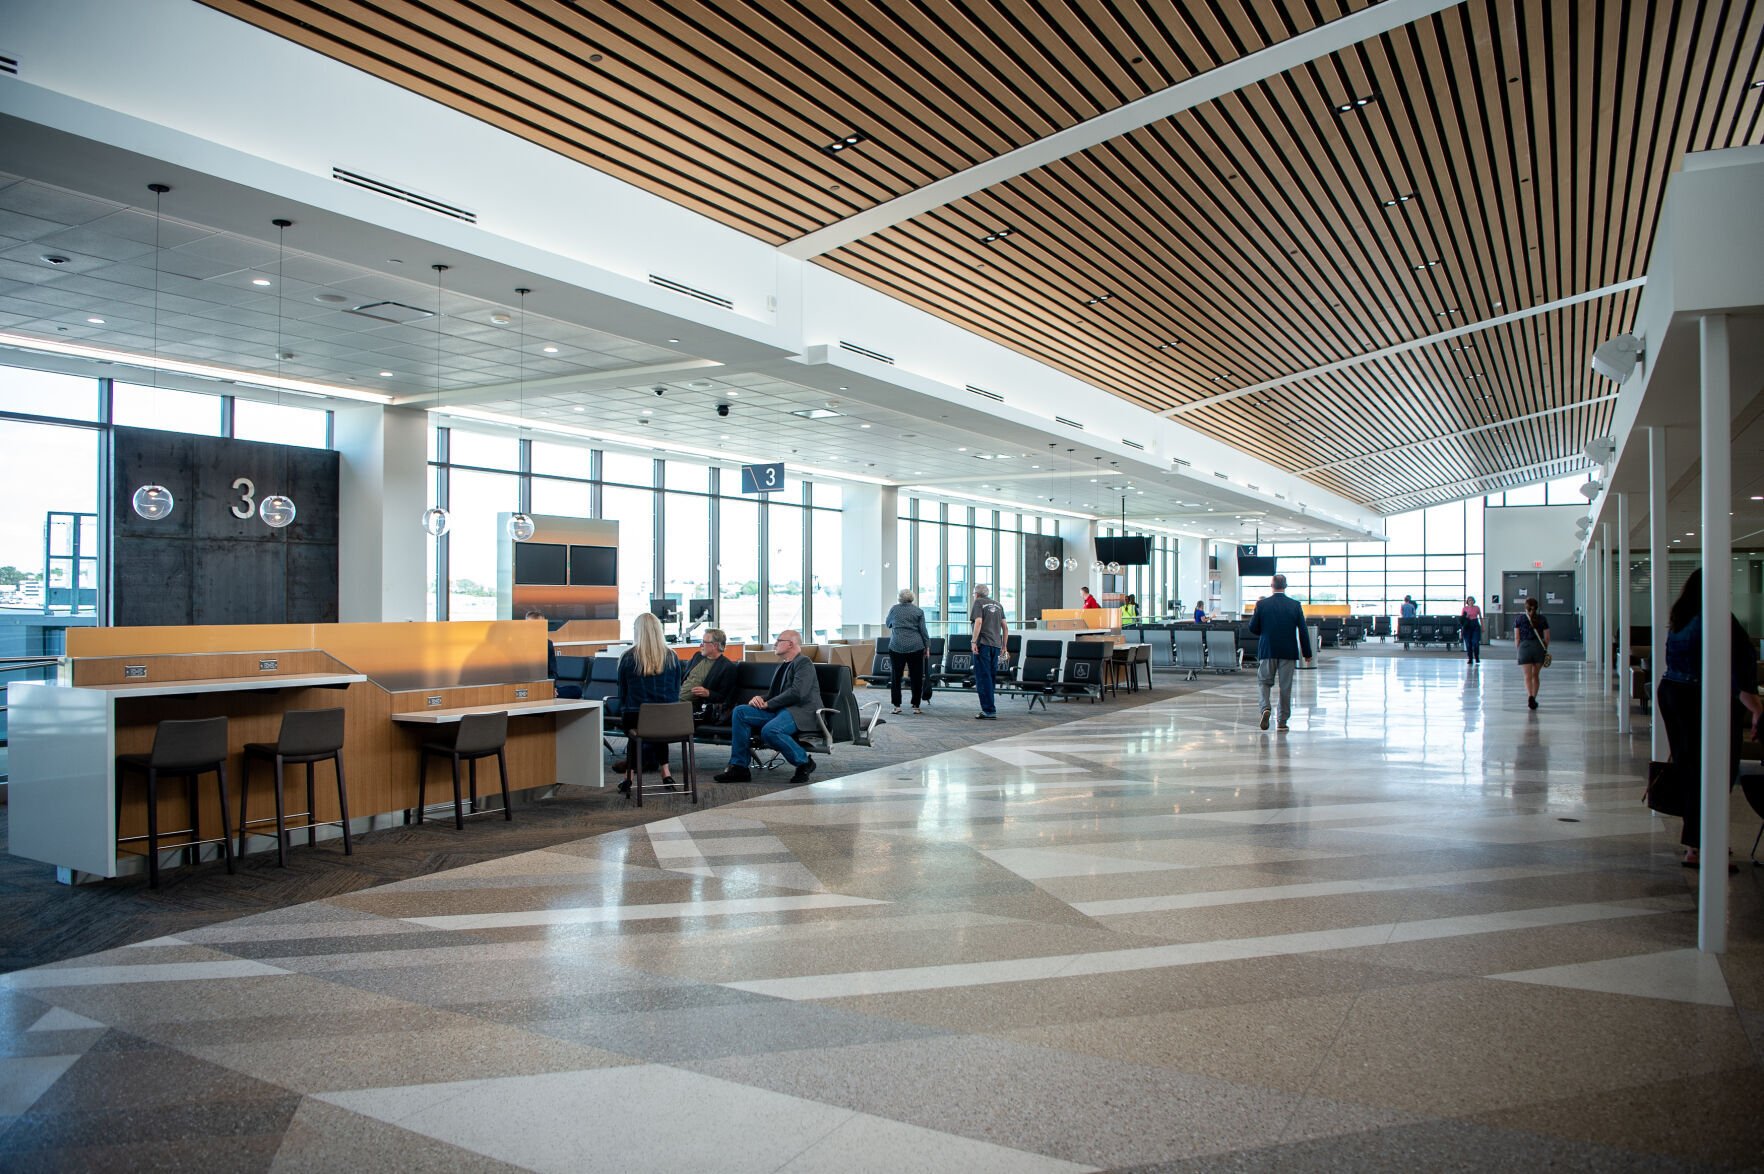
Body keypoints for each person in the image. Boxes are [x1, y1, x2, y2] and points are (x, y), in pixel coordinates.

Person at [1657, 569, 1764, 869]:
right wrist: (1755, 706)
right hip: (1700, 699)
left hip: (1672, 692)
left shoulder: (1680, 617)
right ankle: (1704, 846)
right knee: (1716, 772)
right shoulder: (1716, 616)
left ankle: (1699, 842)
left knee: (1690, 769)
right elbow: (1741, 662)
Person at [714, 629, 820, 785]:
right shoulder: (783, 666)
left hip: (800, 711)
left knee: (770, 731)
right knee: (741, 712)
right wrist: (759, 699)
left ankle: (804, 761)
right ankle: (739, 767)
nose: (775, 644)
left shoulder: (803, 663)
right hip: (781, 710)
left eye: (778, 640)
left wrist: (769, 704)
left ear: (790, 644)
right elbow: (773, 694)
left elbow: (798, 693)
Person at [615, 612, 684, 795]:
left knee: (638, 725)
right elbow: (676, 689)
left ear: (638, 631)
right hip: (670, 719)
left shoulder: (628, 657)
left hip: (637, 716)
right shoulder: (672, 656)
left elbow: (623, 692)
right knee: (657, 720)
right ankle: (666, 772)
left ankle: (629, 776)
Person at [1248, 574, 1312, 732]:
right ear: (1286, 586)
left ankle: (1265, 708)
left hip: (1267, 650)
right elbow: (1303, 631)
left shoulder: (1262, 605)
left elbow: (1252, 628)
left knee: (1264, 682)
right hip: (1288, 651)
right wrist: (1307, 653)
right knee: (1285, 687)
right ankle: (1282, 721)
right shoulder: (1295, 605)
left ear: (1272, 585)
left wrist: (1265, 630)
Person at [883, 589, 929, 715]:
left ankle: (897, 706)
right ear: (912, 598)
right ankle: (916, 705)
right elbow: (923, 630)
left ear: (899, 598)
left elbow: (888, 624)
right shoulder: (918, 611)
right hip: (916, 646)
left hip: (896, 645)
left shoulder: (894, 609)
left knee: (896, 676)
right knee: (916, 676)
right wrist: (927, 646)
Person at [679, 628, 739, 725]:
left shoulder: (727, 667)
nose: (700, 645)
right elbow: (683, 679)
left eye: (704, 642)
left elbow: (726, 699)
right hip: (676, 700)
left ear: (714, 645)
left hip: (694, 707)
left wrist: (708, 693)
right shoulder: (697, 657)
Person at [970, 583, 1008, 720]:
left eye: (974, 594)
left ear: (977, 594)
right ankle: (990, 707)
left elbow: (978, 622)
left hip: (983, 644)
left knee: (982, 677)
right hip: (996, 645)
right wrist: (1004, 646)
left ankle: (989, 710)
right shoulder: (998, 604)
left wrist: (974, 641)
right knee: (991, 676)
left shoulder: (978, 603)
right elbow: (1005, 627)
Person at [1514, 596, 1550, 709]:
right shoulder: (1543, 619)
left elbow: (1517, 638)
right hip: (1538, 647)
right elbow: (1547, 638)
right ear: (1537, 607)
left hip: (1524, 647)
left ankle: (1529, 696)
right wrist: (1544, 649)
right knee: (1536, 675)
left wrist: (1519, 649)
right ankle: (1534, 698)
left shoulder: (1519, 619)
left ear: (1525, 607)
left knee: (1527, 676)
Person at [1461, 596, 1483, 665]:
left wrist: (1483, 626)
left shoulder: (1477, 608)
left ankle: (1476, 656)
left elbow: (1480, 617)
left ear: (1474, 601)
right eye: (1469, 600)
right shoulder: (1464, 608)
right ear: (1467, 602)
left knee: (1475, 642)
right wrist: (1462, 630)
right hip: (1467, 625)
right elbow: (1462, 620)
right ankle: (1470, 658)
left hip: (1475, 624)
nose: (1471, 601)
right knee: (1468, 643)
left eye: (1472, 600)